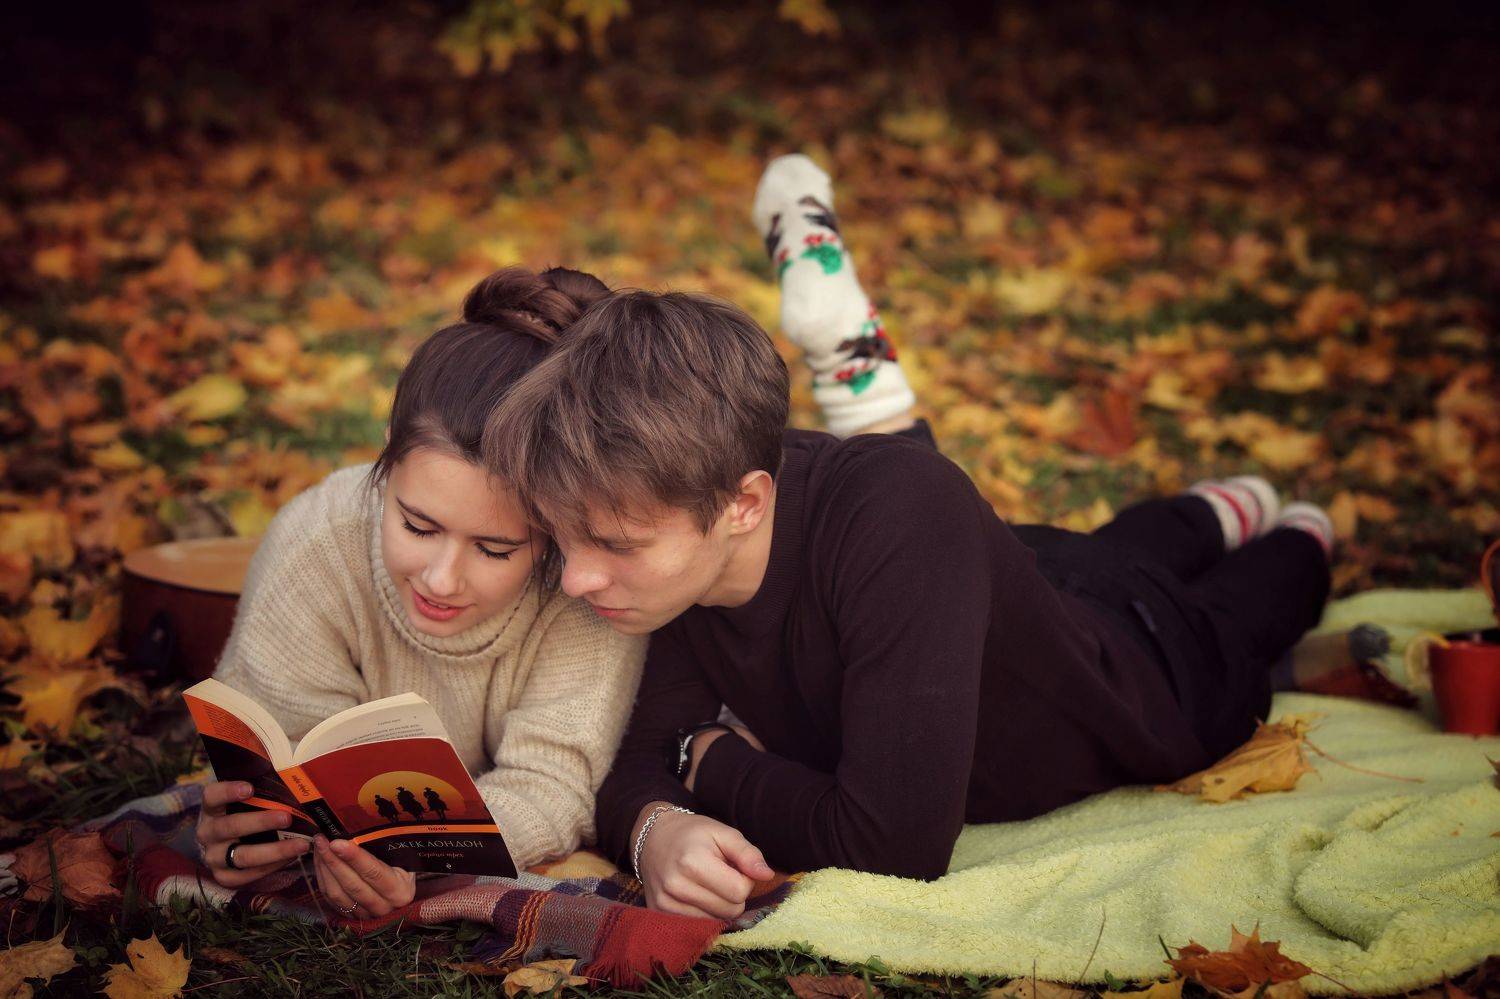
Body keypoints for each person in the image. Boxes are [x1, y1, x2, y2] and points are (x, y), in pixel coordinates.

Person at [482, 156, 1337, 920]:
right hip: (1034, 576)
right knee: (1105, 552)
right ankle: (1215, 507)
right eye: (567, 541)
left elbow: (894, 843)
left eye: (614, 546)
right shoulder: (672, 522)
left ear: (743, 504)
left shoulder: (899, 519)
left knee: (1262, 591)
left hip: (1161, 674)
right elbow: (636, 761)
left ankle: (1305, 520)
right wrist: (658, 829)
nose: (576, 579)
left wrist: (712, 763)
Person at [193, 267, 647, 921]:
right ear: (388, 459)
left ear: (558, 524)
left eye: (495, 549)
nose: (441, 579)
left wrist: (423, 855)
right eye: (417, 525)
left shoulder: (584, 584)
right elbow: (282, 749)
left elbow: (553, 782)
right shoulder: (316, 543)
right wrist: (255, 834)